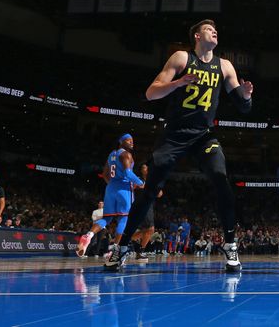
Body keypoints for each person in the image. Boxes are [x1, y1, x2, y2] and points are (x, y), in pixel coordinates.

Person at [105, 20, 253, 272]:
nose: (214, 31)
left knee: (221, 179)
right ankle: (122, 248)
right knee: (149, 191)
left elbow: (244, 107)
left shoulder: (224, 65)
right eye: (208, 29)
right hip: (173, 135)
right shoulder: (181, 58)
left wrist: (247, 95)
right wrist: (178, 83)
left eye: (216, 29)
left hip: (204, 136)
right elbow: (152, 93)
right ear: (197, 36)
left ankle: (230, 245)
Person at [77, 134, 145, 257]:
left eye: (132, 140)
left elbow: (105, 174)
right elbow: (128, 173)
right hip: (124, 189)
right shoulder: (126, 155)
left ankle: (89, 235)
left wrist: (113, 185)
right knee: (124, 218)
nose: (131, 142)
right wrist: (141, 183)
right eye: (128, 140)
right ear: (121, 142)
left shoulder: (111, 155)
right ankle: (114, 250)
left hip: (110, 188)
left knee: (107, 218)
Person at [130, 163, 163, 262]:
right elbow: (134, 186)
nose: (146, 169)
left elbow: (160, 194)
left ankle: (124, 241)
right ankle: (139, 252)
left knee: (148, 231)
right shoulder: (138, 179)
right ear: (141, 170)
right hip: (141, 205)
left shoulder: (153, 180)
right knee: (150, 229)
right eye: (144, 167)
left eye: (147, 167)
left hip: (149, 206)